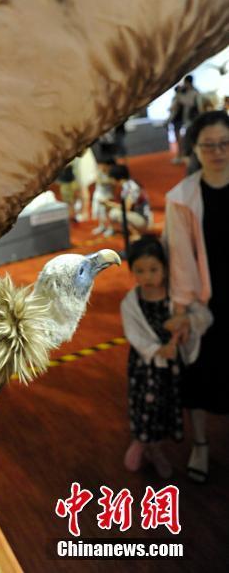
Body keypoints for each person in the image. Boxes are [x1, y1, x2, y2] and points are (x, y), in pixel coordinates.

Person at [164, 110, 229, 482]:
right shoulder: (182, 198)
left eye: (224, 144)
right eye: (209, 145)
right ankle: (201, 444)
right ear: (195, 149)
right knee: (200, 375)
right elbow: (181, 260)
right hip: (205, 300)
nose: (218, 152)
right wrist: (185, 310)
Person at [121, 236, 212, 479]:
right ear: (132, 272)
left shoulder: (176, 297)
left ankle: (155, 449)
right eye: (140, 271)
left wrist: (186, 322)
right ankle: (142, 442)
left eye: (153, 269)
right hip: (144, 368)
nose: (147, 277)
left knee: (164, 408)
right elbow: (134, 334)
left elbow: (204, 317)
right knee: (143, 407)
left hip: (169, 370)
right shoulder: (131, 302)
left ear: (165, 268)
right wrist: (156, 350)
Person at [103, 164, 152, 240]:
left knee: (115, 213)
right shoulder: (129, 184)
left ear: (116, 177)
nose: (111, 181)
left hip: (143, 220)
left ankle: (137, 234)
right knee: (115, 212)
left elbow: (126, 208)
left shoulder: (130, 187)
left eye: (111, 178)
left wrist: (110, 204)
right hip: (141, 216)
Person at [91, 157, 115, 235]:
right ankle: (101, 226)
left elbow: (114, 185)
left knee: (107, 213)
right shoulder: (99, 172)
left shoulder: (112, 173)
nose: (101, 166)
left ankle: (111, 228)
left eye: (102, 165)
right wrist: (109, 181)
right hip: (98, 194)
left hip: (108, 195)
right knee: (99, 212)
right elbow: (99, 181)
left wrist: (111, 196)